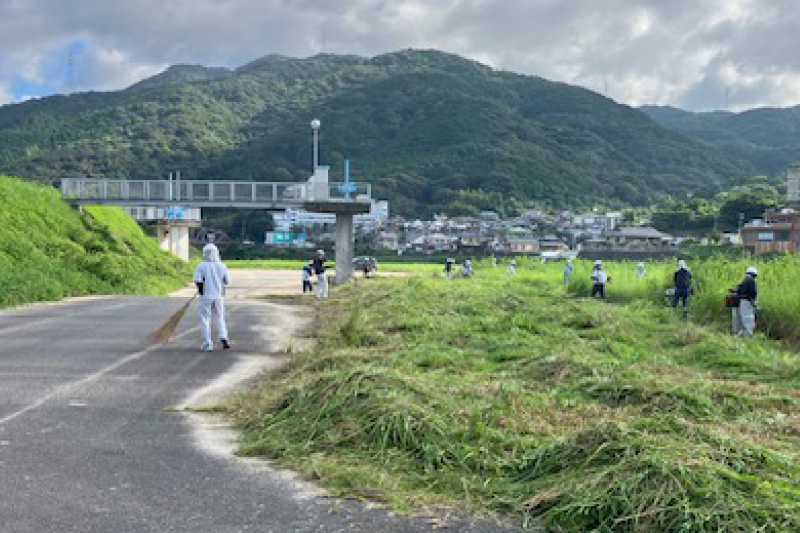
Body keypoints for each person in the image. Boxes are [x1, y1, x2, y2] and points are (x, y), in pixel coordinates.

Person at [193, 243, 230, 352]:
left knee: (205, 319)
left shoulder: (201, 266)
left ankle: (207, 344)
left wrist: (200, 289)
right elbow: (227, 281)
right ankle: (224, 338)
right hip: (219, 296)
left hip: (206, 296)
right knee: (219, 317)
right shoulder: (222, 265)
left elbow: (198, 281)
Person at [732, 266, 758, 338]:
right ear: (754, 275)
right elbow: (753, 293)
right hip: (747, 302)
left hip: (741, 301)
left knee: (738, 319)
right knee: (748, 319)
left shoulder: (745, 281)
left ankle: (737, 335)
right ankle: (748, 337)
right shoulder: (751, 281)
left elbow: (738, 289)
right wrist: (753, 303)